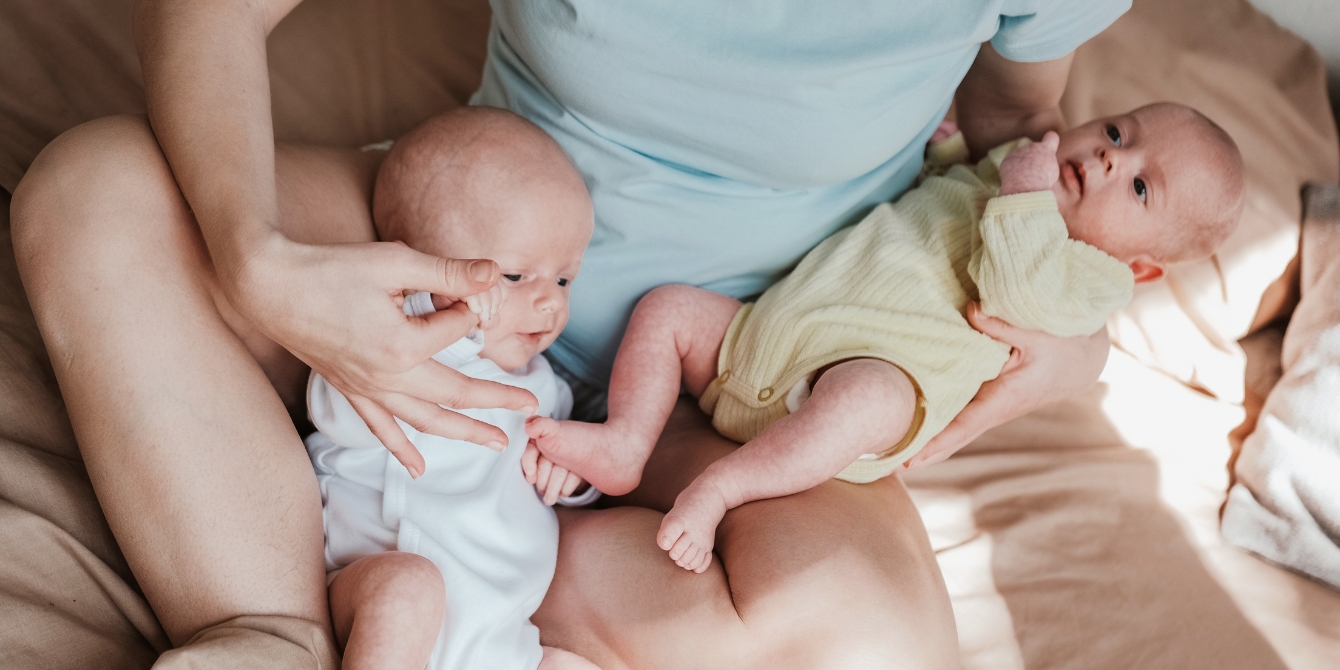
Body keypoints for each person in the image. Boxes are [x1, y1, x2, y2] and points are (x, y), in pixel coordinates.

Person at [10, 1, 1133, 667]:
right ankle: (281, 627)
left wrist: (1071, 332)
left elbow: (1020, 131)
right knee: (94, 195)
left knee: (867, 639)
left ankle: (478, 594)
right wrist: (260, 263)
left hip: (742, 362)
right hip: (457, 248)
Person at [527, 103, 1245, 572]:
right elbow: (944, 191)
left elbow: (1015, 288)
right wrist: (954, 147)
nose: (1112, 159)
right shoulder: (1017, 166)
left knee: (867, 401)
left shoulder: (1093, 280)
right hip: (765, 333)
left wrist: (1025, 198)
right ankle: (625, 441)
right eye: (1118, 133)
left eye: (1141, 189)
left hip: (868, 375)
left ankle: (719, 492)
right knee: (667, 309)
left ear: (1143, 267)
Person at [309, 108, 598, 670]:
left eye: (565, 278)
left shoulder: (547, 388)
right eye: (516, 275)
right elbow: (333, 411)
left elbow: (569, 462)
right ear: (427, 268)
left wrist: (574, 472)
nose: (551, 301)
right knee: (407, 594)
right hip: (382, 570)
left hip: (499, 632)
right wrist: (450, 326)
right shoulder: (390, 343)